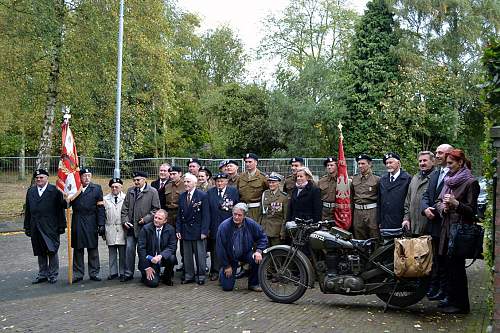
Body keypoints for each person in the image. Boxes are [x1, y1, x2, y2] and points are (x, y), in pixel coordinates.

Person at [435, 149, 479, 314]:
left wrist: (456, 204)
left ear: (460, 163)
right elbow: (438, 201)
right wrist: (443, 208)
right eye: (447, 163)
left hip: (459, 231)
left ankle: (462, 305)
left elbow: (473, 211)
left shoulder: (470, 182)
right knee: (448, 267)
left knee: (457, 268)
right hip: (446, 229)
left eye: (450, 163)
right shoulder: (448, 181)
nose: (448, 167)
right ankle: (451, 300)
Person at [421, 144, 453, 303]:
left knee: (446, 260)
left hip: (445, 225)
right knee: (436, 260)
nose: (437, 155)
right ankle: (438, 289)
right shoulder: (435, 174)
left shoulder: (453, 175)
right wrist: (425, 208)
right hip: (432, 224)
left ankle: (447, 292)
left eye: (440, 152)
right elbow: (426, 195)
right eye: (437, 152)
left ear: (449, 154)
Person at [24, 169, 66, 284]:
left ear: (47, 178)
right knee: (40, 250)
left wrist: (62, 225)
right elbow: (28, 210)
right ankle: (43, 274)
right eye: (37, 178)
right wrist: (27, 226)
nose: (39, 179)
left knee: (51, 250)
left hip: (51, 227)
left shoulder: (55, 191)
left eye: (41, 177)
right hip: (35, 226)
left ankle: (53, 274)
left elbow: (60, 209)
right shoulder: (31, 191)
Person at [216, 203, 268, 292]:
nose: (236, 217)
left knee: (257, 258)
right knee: (227, 287)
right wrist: (226, 266)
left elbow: (263, 237)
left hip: (245, 253)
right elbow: (220, 249)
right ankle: (222, 273)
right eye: (235, 214)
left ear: (244, 216)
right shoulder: (224, 226)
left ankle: (253, 283)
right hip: (230, 257)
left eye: (239, 215)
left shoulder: (251, 224)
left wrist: (259, 251)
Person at [120, 171, 160, 282]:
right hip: (131, 228)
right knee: (129, 250)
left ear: (145, 179)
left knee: (145, 251)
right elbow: (125, 209)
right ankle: (128, 273)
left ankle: (145, 272)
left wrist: (146, 219)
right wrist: (125, 221)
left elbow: (156, 209)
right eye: (134, 180)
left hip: (145, 228)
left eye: (138, 180)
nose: (136, 182)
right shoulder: (130, 191)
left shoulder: (152, 192)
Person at [70, 168, 105, 283]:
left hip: (91, 220)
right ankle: (78, 274)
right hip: (78, 220)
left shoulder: (96, 188)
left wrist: (101, 223)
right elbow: (65, 205)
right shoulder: (74, 188)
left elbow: (100, 208)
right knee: (78, 248)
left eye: (89, 175)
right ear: (80, 177)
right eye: (84, 175)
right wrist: (66, 195)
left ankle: (94, 273)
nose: (87, 178)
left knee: (92, 248)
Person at [176, 173, 210, 285]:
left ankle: (201, 275)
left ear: (195, 183)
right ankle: (189, 275)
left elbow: (206, 216)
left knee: (200, 255)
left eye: (188, 182)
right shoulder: (181, 196)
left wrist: (204, 231)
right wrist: (178, 230)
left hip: (198, 230)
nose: (186, 184)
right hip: (185, 230)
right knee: (187, 255)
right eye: (185, 181)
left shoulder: (202, 196)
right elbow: (179, 216)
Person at [206, 173, 240, 281]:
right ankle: (215, 271)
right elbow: (207, 212)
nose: (219, 183)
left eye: (222, 181)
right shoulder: (210, 192)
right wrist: (207, 228)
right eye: (217, 181)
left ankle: (228, 270)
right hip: (214, 225)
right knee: (215, 249)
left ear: (226, 181)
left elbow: (237, 208)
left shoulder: (233, 192)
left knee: (229, 248)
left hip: (229, 225)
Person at [137, 209, 177, 288]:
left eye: (159, 219)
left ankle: (166, 277)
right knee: (153, 284)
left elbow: (172, 246)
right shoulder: (146, 229)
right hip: (149, 260)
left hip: (161, 258)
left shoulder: (170, 229)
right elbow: (141, 248)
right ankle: (146, 275)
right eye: (155, 217)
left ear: (165, 221)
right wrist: (147, 267)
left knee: (172, 258)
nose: (156, 220)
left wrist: (161, 256)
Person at [402, 151, 435, 235]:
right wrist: (406, 219)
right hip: (413, 228)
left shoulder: (436, 178)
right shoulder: (415, 178)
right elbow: (407, 201)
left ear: (433, 161)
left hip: (429, 228)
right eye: (420, 161)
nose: (422, 163)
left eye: (425, 160)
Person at [378, 153, 412, 229]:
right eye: (386, 163)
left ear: (398, 163)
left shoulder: (407, 179)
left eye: (390, 162)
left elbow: (410, 201)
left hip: (401, 221)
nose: (388, 165)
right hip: (385, 222)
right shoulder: (382, 180)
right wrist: (379, 220)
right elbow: (379, 201)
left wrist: (407, 218)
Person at [351, 154, 380, 240]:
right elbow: (352, 196)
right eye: (359, 164)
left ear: (370, 164)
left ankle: (375, 253)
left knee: (374, 235)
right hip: (357, 212)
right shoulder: (354, 179)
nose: (360, 166)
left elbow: (380, 198)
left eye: (363, 163)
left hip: (372, 212)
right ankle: (361, 254)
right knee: (359, 235)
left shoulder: (377, 179)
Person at [103, 178, 126, 280]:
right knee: (112, 252)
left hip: (122, 228)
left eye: (117, 186)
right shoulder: (105, 199)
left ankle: (122, 272)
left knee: (122, 252)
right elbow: (103, 215)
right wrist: (103, 230)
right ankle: (113, 272)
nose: (114, 188)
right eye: (112, 187)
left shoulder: (126, 198)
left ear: (121, 187)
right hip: (110, 228)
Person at [237, 153, 268, 221]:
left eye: (250, 162)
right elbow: (238, 192)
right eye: (246, 162)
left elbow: (267, 192)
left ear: (256, 162)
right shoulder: (241, 177)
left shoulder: (262, 177)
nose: (247, 164)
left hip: (256, 210)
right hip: (242, 208)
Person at [260, 172, 288, 246]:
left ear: (278, 183)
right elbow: (261, 213)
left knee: (276, 254)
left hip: (276, 231)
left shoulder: (284, 197)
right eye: (270, 182)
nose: (271, 184)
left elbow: (285, 217)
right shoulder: (265, 194)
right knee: (264, 253)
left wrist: (283, 232)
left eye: (273, 182)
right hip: (264, 229)